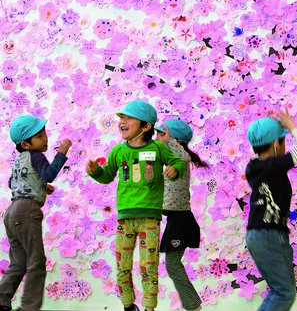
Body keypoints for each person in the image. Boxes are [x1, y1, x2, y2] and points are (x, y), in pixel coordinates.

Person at [85, 100, 185, 311]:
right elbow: (107, 176)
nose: (122, 121)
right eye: (121, 118)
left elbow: (177, 162)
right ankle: (128, 305)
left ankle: (149, 307)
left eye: (128, 118)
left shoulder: (158, 147)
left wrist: (174, 170)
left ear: (146, 126)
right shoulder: (118, 151)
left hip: (150, 218)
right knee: (122, 265)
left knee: (149, 265)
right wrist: (95, 171)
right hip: (125, 218)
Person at [0, 115, 72, 311]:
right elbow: (49, 173)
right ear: (25, 143)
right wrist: (62, 153)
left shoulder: (19, 159)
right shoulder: (36, 155)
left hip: (11, 213)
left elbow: (12, 183)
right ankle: (30, 307)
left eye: (44, 133)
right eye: (39, 136)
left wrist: (40, 186)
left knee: (18, 262)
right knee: (36, 261)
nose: (45, 138)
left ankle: (2, 300)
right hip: (27, 211)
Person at [245, 108, 297, 311]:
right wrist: (291, 125)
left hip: (255, 234)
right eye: (283, 142)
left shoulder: (253, 167)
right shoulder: (274, 165)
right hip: (270, 234)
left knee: (278, 290)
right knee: (284, 292)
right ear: (276, 143)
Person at [155, 119, 207, 311]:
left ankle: (193, 306)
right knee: (172, 264)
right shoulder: (172, 162)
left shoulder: (180, 160)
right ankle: (192, 305)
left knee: (173, 264)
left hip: (181, 220)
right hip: (176, 219)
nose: (158, 138)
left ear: (174, 141)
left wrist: (168, 142)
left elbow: (183, 157)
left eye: (162, 135)